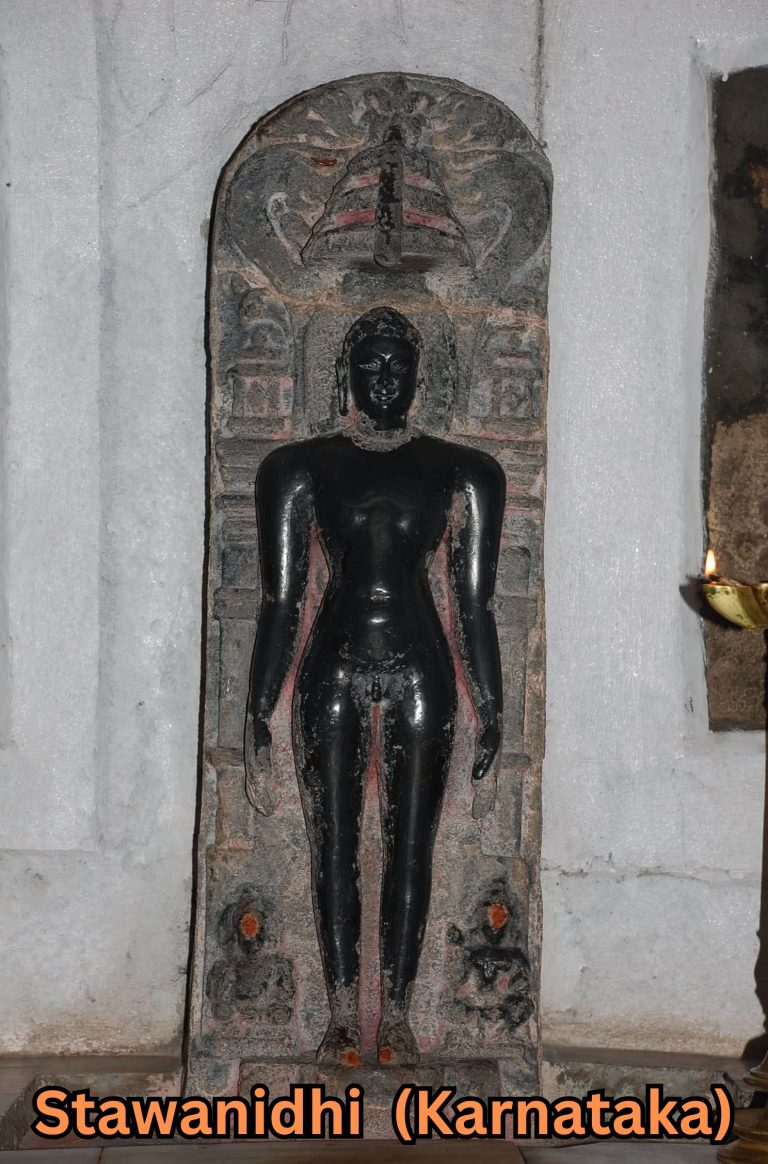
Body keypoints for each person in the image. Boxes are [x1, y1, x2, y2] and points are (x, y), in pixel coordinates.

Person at [244, 306, 505, 1067]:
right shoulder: (299, 467)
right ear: (346, 375)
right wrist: (260, 707)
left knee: (410, 845)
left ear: (421, 375)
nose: (385, 378)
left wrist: (491, 704)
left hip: (422, 663)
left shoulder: (464, 471)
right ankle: (336, 1013)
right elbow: (281, 600)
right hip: (335, 659)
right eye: (370, 365)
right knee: (332, 842)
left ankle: (395, 1013)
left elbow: (474, 603)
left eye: (398, 365)